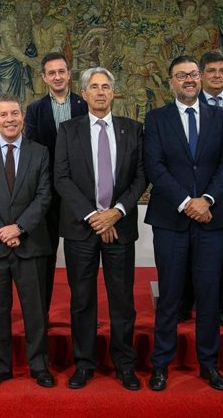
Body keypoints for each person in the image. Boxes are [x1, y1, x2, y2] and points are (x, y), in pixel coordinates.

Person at [144, 55, 223, 392]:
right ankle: (161, 364)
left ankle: (209, 365)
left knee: (210, 295)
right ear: (170, 81)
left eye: (193, 74)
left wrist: (207, 200)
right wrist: (187, 203)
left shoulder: (220, 115)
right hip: (171, 220)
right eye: (181, 75)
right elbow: (154, 167)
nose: (189, 79)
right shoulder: (156, 119)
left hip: (212, 220)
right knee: (169, 295)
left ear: (200, 79)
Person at [54, 67, 147, 391]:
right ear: (84, 93)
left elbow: (140, 178)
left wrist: (115, 213)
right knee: (82, 300)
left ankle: (124, 364)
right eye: (94, 87)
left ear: (113, 92)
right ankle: (84, 363)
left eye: (106, 86)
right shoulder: (68, 130)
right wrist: (95, 216)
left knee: (122, 300)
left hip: (119, 228)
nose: (100, 92)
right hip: (82, 229)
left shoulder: (133, 130)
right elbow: (61, 178)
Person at [0, 94, 54, 389]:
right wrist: (1, 230)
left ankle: (39, 366)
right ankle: (0, 367)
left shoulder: (40, 152)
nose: (9, 120)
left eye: (14, 114)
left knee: (35, 311)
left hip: (30, 244)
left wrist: (19, 228)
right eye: (3, 115)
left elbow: (44, 196)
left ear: (23, 118)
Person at [179, 50, 223, 327]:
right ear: (201, 75)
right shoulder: (187, 103)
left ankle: (220, 305)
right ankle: (185, 303)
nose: (217, 75)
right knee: (186, 252)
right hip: (192, 196)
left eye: (222, 70)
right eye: (211, 71)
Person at [25, 52, 88, 317]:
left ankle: (84, 314)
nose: (57, 77)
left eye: (61, 71)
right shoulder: (35, 110)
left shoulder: (83, 105)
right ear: (44, 77)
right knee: (46, 257)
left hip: (79, 192)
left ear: (68, 73)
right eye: (51, 73)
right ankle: (41, 313)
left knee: (81, 260)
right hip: (47, 193)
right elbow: (32, 152)